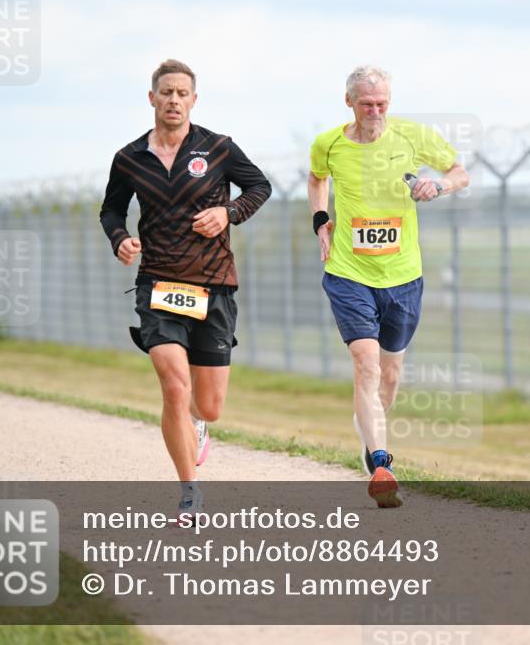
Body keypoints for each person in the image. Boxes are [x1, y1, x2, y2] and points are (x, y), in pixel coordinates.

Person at [100, 59, 271, 519]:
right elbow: (111, 211)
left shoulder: (218, 148)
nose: (174, 100)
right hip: (158, 283)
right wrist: (121, 240)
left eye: (182, 93)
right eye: (166, 92)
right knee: (174, 386)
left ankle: (198, 425)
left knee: (209, 407)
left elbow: (259, 186)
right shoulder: (130, 157)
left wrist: (228, 214)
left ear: (194, 100)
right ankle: (189, 491)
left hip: (214, 284)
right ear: (152, 98)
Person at [308, 65, 469, 508]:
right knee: (366, 364)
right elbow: (317, 178)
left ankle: (370, 436)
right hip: (348, 271)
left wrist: (439, 184)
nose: (375, 111)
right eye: (366, 104)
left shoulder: (413, 136)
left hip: (402, 276)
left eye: (382, 104)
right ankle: (382, 461)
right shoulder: (329, 143)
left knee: (390, 374)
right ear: (349, 103)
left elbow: (461, 172)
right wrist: (321, 220)